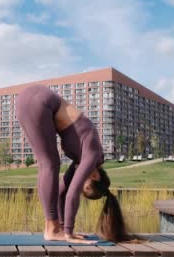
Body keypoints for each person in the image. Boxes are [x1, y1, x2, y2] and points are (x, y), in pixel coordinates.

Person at [16, 84, 126, 244]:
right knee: (50, 164)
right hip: (39, 101)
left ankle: (55, 228)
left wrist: (64, 227)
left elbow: (62, 191)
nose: (81, 186)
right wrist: (69, 233)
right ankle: (52, 230)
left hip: (29, 97)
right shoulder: (93, 154)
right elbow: (72, 194)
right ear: (95, 176)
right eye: (86, 187)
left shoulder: (83, 157)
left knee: (49, 163)